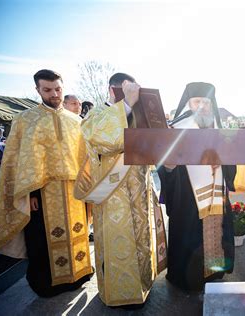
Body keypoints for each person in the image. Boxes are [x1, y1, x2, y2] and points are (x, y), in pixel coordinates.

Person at [0, 69, 93, 297]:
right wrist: (30, 195)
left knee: (77, 234)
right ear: (37, 89)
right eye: (47, 90)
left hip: (73, 190)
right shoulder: (25, 120)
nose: (54, 94)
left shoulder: (75, 120)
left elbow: (84, 158)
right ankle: (47, 284)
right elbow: (19, 163)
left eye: (58, 89)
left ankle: (78, 274)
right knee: (42, 240)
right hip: (41, 193)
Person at [74, 72, 156, 307]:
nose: (131, 96)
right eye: (125, 91)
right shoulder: (97, 114)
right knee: (119, 240)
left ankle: (143, 284)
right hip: (112, 192)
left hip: (139, 188)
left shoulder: (139, 112)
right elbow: (105, 140)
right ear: (112, 90)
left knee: (140, 237)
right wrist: (128, 104)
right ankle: (119, 294)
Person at [158, 82, 236, 291]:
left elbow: (232, 162)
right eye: (197, 101)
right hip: (188, 198)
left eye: (206, 102)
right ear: (188, 104)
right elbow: (165, 166)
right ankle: (186, 278)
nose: (202, 106)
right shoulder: (176, 129)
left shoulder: (220, 130)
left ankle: (215, 271)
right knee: (189, 234)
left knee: (217, 234)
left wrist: (224, 161)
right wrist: (170, 166)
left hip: (217, 195)